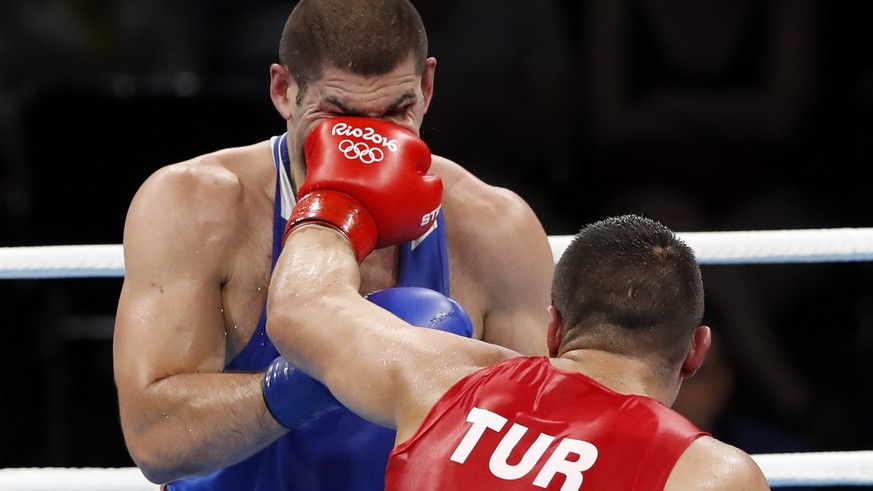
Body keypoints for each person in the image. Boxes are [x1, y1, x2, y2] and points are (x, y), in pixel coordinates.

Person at [112, 0, 554, 489]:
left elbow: (537, 442)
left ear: (427, 87)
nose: (367, 140)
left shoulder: (493, 227)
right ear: (284, 91)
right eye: (338, 114)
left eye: (396, 110)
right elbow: (155, 440)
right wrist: (315, 378)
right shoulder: (195, 205)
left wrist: (444, 390)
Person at [268, 209, 771, 490]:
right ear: (696, 352)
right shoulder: (710, 476)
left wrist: (333, 204)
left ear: (553, 328)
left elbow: (301, 306)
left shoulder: (445, 380)